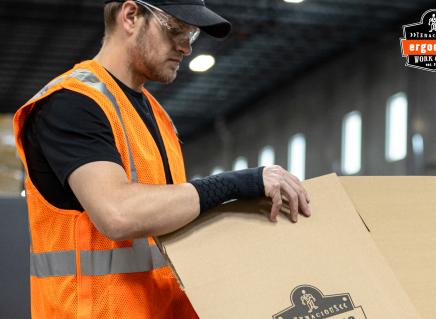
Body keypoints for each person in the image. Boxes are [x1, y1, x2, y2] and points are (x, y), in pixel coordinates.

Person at [13, 0, 311, 318]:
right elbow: (118, 213)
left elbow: (167, 222)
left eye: (192, 35)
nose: (186, 48)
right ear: (130, 16)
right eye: (177, 30)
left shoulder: (155, 115)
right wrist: (238, 183)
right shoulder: (72, 104)